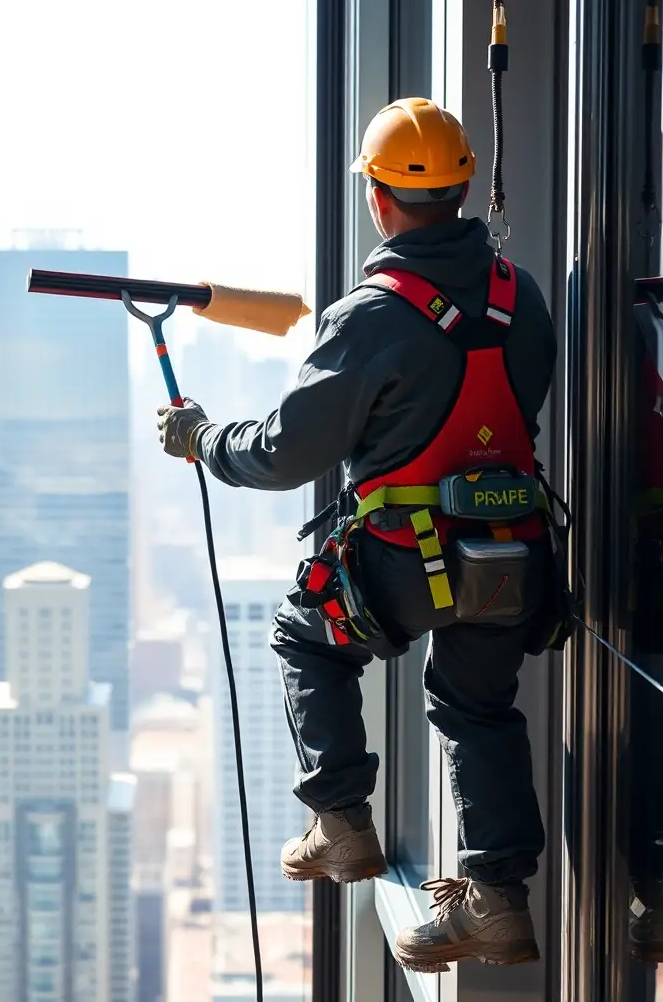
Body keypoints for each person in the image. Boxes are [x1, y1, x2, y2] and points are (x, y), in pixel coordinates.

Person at [157, 97, 557, 972]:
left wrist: (202, 441)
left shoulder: (371, 316)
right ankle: (499, 902)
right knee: (478, 707)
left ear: (378, 199)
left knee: (306, 636)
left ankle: (341, 821)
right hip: (513, 553)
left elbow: (284, 452)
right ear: (462, 189)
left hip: (409, 560)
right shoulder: (519, 296)